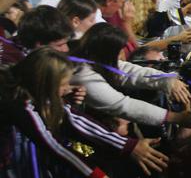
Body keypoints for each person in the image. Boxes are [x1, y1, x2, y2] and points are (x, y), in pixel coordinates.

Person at [0, 47, 171, 177]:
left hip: (63, 145)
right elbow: (54, 145)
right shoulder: (19, 103)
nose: (68, 89)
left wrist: (127, 146)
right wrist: (97, 175)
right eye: (63, 85)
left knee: (93, 153)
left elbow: (73, 118)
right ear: (45, 84)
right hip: (13, 164)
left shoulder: (37, 92)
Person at [71, 23, 191, 129]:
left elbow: (127, 70)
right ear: (106, 53)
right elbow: (124, 105)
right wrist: (174, 118)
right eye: (117, 53)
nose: (121, 57)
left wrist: (167, 80)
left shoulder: (90, 55)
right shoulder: (83, 74)